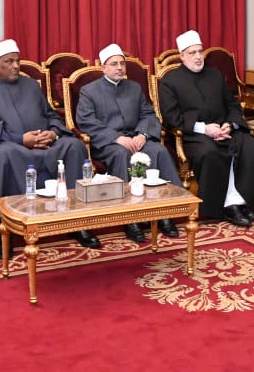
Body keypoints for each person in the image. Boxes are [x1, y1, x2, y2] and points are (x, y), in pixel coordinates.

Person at [0, 38, 99, 249]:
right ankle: (6, 228)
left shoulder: (31, 85)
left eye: (17, 61)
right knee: (2, 154)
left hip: (47, 146)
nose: (15, 66)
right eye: (9, 62)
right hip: (14, 147)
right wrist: (21, 139)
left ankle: (77, 221)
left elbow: (51, 115)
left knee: (73, 146)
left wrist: (53, 133)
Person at [157, 30, 254, 227]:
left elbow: (232, 105)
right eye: (192, 52)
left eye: (200, 51)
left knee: (252, 147)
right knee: (211, 153)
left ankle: (246, 201)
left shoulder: (215, 75)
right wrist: (205, 129)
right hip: (195, 135)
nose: (198, 57)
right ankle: (227, 206)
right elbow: (171, 117)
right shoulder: (170, 81)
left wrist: (230, 124)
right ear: (182, 56)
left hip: (225, 130)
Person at [74, 42, 181, 243]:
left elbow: (148, 114)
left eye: (122, 64)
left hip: (136, 138)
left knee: (158, 151)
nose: (119, 68)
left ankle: (165, 213)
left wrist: (143, 135)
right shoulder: (89, 91)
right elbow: (86, 122)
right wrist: (116, 138)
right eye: (114, 64)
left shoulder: (134, 87)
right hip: (108, 143)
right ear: (103, 67)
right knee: (121, 154)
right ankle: (129, 219)